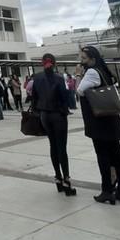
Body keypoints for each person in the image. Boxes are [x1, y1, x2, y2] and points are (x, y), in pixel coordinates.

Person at [78, 46, 120, 204]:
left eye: (84, 59)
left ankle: (107, 190)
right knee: (117, 154)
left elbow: (80, 91)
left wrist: (79, 75)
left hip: (99, 120)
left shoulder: (92, 72)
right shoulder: (103, 70)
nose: (81, 62)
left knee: (103, 155)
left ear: (92, 59)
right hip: (111, 117)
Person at [31, 54, 77, 196]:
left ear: (42, 63)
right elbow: (65, 98)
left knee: (53, 146)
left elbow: (34, 98)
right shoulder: (59, 78)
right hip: (58, 115)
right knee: (62, 147)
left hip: (45, 115)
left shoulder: (37, 78)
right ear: (54, 63)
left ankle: (58, 178)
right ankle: (66, 181)